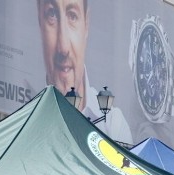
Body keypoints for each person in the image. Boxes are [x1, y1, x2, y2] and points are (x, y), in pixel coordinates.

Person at [37, 0, 132, 143]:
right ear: (39, 20)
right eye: (52, 14)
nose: (63, 47)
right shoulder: (30, 119)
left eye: (72, 16)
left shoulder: (113, 124)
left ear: (86, 24)